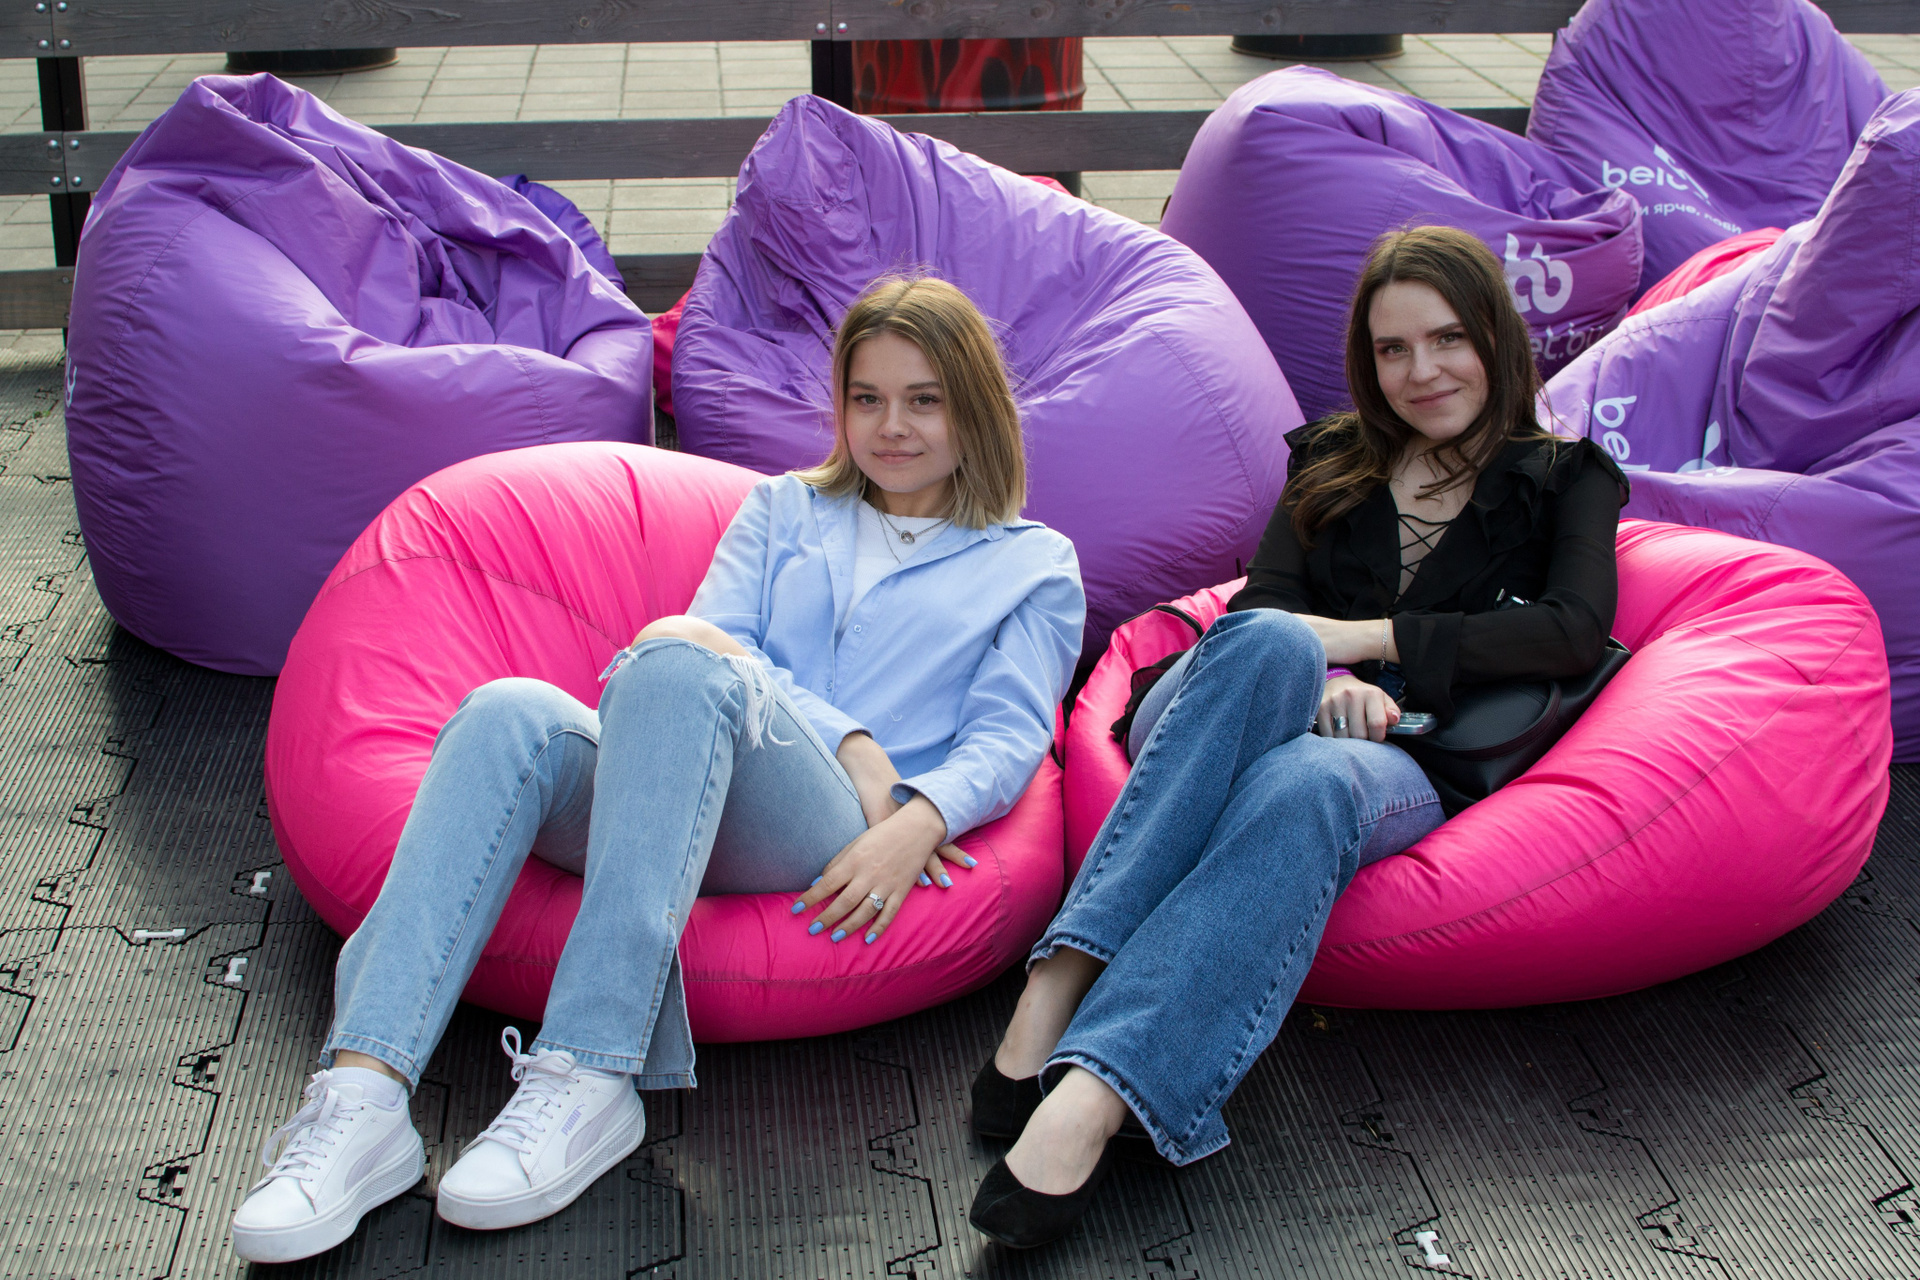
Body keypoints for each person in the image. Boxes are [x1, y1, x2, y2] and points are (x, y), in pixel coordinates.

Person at [231, 275, 1084, 1264]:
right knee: (509, 712)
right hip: (693, 776)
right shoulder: (784, 508)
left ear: (972, 406)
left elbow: (1011, 735)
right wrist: (854, 738)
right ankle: (364, 1095)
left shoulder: (1033, 563)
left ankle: (589, 1070)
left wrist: (916, 820)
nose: (892, 426)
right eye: (867, 398)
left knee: (679, 657)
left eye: (923, 399)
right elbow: (717, 642)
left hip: (819, 823)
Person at [966, 225, 1628, 1248]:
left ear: (1495, 336)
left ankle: (1092, 1094)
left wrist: (1368, 644)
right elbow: (1262, 612)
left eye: (1447, 339)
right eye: (1393, 349)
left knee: (1306, 785)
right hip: (1247, 702)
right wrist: (1327, 678)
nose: (1422, 371)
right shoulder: (1332, 459)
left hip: (1403, 754)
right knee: (1274, 641)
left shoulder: (1564, 475)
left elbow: (1572, 628)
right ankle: (1059, 982)